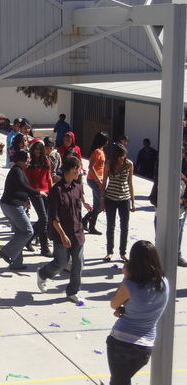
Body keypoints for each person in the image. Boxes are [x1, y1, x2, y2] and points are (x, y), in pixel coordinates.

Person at [107, 240, 169, 384]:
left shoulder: (130, 284)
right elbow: (146, 306)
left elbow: (114, 303)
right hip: (145, 346)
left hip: (121, 342)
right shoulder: (164, 283)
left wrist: (126, 277)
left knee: (119, 381)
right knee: (121, 380)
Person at [36, 156, 89, 303]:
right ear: (73, 169)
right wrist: (63, 235)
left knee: (78, 263)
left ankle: (73, 291)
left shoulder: (77, 188)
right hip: (61, 234)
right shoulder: (56, 191)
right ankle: (43, 274)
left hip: (77, 232)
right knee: (61, 262)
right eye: (79, 170)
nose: (80, 173)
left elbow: (77, 211)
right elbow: (54, 218)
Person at [0, 150, 46, 270]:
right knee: (28, 232)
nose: (29, 161)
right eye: (27, 159)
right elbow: (23, 186)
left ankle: (16, 263)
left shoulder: (19, 171)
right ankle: (7, 251)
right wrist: (38, 193)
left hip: (11, 204)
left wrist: (26, 199)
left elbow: (20, 189)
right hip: (12, 206)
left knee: (20, 233)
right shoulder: (16, 171)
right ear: (20, 160)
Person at [101, 143, 135, 262]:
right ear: (116, 155)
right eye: (120, 156)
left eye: (124, 155)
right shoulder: (109, 164)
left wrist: (133, 201)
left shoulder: (129, 164)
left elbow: (130, 183)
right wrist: (102, 200)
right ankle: (109, 252)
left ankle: (123, 253)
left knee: (124, 227)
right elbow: (104, 183)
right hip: (110, 198)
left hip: (124, 198)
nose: (122, 158)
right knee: (110, 226)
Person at [24, 140, 53, 257]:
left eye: (40, 149)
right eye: (35, 149)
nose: (37, 151)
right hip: (35, 192)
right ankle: (44, 248)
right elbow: (26, 182)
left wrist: (52, 192)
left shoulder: (46, 160)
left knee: (45, 219)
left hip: (46, 191)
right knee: (44, 218)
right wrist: (26, 197)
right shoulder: (29, 162)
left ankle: (28, 238)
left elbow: (49, 177)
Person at [83, 132, 110, 235]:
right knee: (100, 204)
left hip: (96, 179)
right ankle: (87, 222)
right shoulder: (97, 152)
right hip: (94, 180)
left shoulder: (100, 151)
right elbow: (91, 167)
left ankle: (88, 223)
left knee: (97, 205)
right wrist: (98, 180)